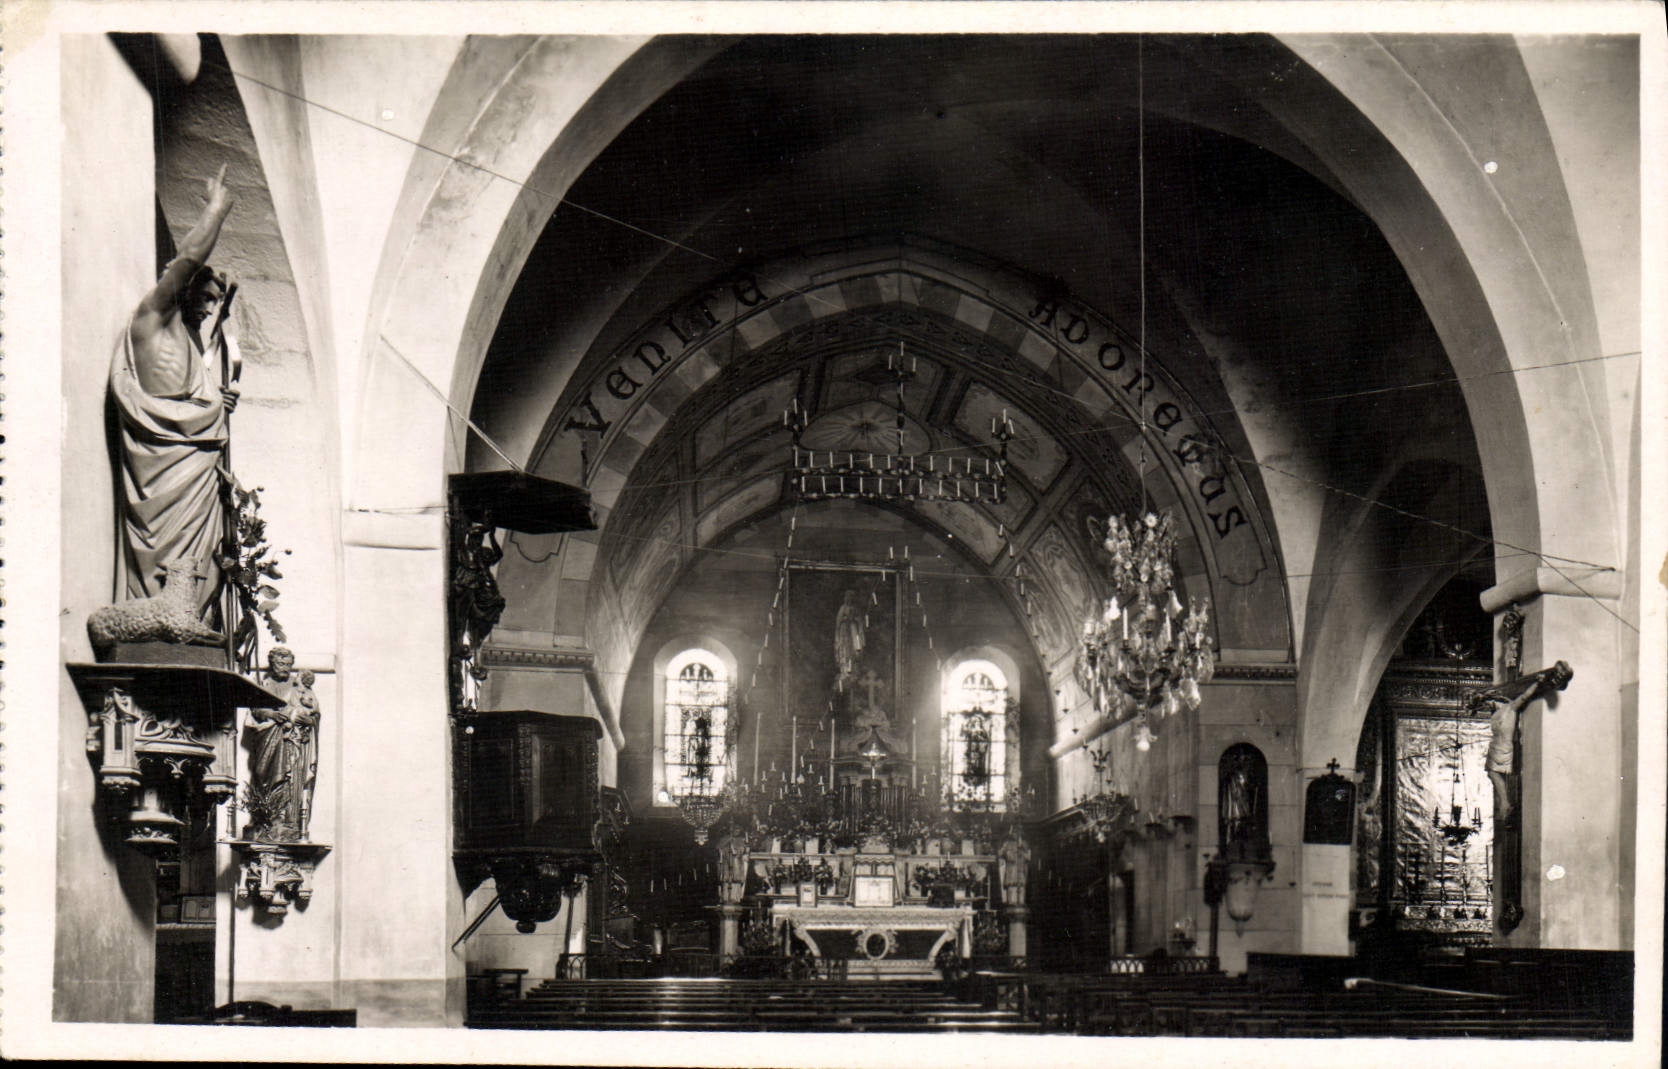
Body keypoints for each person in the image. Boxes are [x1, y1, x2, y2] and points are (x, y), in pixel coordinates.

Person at [114, 164, 240, 623]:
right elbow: (186, 260)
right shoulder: (151, 318)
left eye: (215, 300)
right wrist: (216, 212)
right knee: (165, 567)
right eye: (203, 296)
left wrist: (215, 404)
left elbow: (188, 401)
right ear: (181, 290)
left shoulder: (190, 345)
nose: (209, 307)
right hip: (163, 475)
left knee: (199, 572)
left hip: (196, 476)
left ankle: (190, 622)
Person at [1478, 661, 1573, 822]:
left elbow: (1525, 696)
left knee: (1493, 773)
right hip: (1496, 745)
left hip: (1502, 746)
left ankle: (1505, 803)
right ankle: (1504, 802)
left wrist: (1537, 683)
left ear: (1499, 700)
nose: (1489, 704)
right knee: (1492, 773)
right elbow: (1485, 703)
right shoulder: (1497, 712)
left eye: (1491, 701)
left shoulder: (1510, 708)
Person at [247, 647, 322, 842]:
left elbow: (313, 712)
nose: (285, 668)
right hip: (269, 735)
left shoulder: (299, 685)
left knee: (291, 778)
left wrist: (309, 720)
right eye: (281, 664)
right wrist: (272, 714)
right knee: (263, 773)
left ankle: (288, 821)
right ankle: (266, 819)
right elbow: (255, 709)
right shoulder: (264, 683)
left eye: (288, 664)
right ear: (272, 664)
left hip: (293, 743)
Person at [834, 589, 865, 687]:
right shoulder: (842, 608)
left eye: (851, 597)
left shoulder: (855, 609)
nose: (849, 599)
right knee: (844, 652)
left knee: (853, 652)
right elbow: (838, 622)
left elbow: (860, 621)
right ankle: (844, 672)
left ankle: (853, 673)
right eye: (847, 597)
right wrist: (845, 619)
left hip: (853, 632)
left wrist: (855, 620)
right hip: (844, 633)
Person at [998, 832, 1031, 907]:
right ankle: (1011, 902)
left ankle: (1021, 902)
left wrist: (1022, 850)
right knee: (1011, 886)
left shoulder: (1024, 844)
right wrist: (1008, 853)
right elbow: (1001, 853)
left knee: (1021, 887)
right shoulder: (1007, 843)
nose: (1016, 834)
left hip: (1021, 870)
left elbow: (1028, 857)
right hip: (1011, 870)